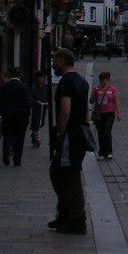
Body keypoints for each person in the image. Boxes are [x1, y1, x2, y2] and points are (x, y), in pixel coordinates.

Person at [49, 47, 90, 234]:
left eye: (54, 60)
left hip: (70, 134)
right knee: (57, 172)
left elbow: (65, 109)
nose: (52, 64)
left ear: (62, 61)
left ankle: (76, 219)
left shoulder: (66, 82)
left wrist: (60, 131)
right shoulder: (81, 81)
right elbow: (86, 108)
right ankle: (65, 214)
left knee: (68, 175)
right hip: (79, 131)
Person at [0, 66, 34, 166]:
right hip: (21, 116)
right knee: (19, 138)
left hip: (8, 115)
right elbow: (28, 102)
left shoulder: (4, 87)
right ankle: (17, 159)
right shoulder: (24, 86)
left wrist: (2, 113)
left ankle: (6, 151)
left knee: (7, 135)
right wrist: (27, 114)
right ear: (20, 75)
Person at [89, 70, 121, 160]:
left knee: (107, 131)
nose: (102, 82)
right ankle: (102, 152)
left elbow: (116, 101)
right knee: (100, 133)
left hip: (109, 113)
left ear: (107, 80)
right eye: (101, 80)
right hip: (99, 114)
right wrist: (94, 95)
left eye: (104, 80)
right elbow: (91, 101)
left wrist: (118, 113)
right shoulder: (96, 89)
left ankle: (109, 152)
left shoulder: (112, 89)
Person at [30, 70, 48, 148]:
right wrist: (36, 102)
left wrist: (47, 102)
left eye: (42, 78)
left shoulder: (45, 87)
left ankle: (34, 135)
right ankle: (36, 137)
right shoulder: (34, 88)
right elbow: (31, 98)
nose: (41, 79)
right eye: (40, 78)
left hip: (43, 107)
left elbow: (48, 96)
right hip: (37, 108)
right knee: (36, 122)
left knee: (42, 122)